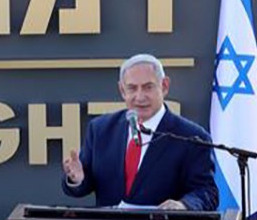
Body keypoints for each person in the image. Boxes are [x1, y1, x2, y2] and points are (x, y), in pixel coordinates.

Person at [62, 53, 219, 211]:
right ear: (122, 90)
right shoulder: (100, 130)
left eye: (148, 87)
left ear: (164, 86)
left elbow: (206, 192)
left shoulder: (192, 137)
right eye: (132, 88)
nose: (140, 96)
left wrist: (183, 205)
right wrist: (78, 179)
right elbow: (84, 185)